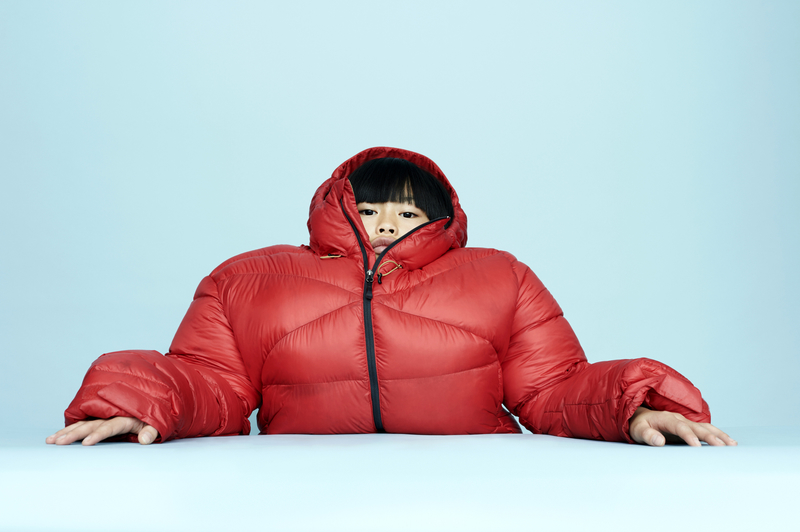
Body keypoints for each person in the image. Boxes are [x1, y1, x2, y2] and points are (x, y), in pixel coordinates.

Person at [47, 147, 736, 448]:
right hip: (287, 502)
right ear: (337, 209)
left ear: (441, 221)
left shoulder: (500, 276)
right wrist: (138, 403)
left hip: (483, 502)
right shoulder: (247, 278)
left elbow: (554, 389)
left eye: (407, 212)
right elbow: (213, 385)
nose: (385, 222)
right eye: (369, 206)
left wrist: (635, 407)